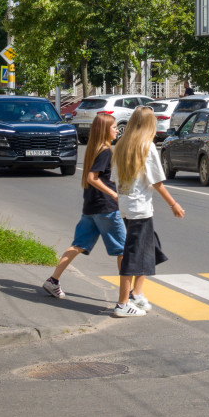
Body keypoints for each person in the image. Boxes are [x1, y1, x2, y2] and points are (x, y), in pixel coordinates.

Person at [110, 107, 185, 318]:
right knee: (133, 257)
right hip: (140, 210)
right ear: (150, 125)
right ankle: (122, 304)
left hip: (126, 208)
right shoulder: (147, 147)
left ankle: (136, 293)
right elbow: (157, 182)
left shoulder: (121, 145)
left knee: (151, 249)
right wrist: (173, 205)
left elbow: (115, 179)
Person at [43, 114, 126, 299]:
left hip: (91, 207)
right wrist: (113, 194)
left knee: (78, 245)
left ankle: (53, 280)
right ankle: (126, 296)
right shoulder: (105, 150)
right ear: (105, 130)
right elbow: (92, 177)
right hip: (106, 208)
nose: (116, 130)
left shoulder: (93, 148)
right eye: (114, 127)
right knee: (123, 251)